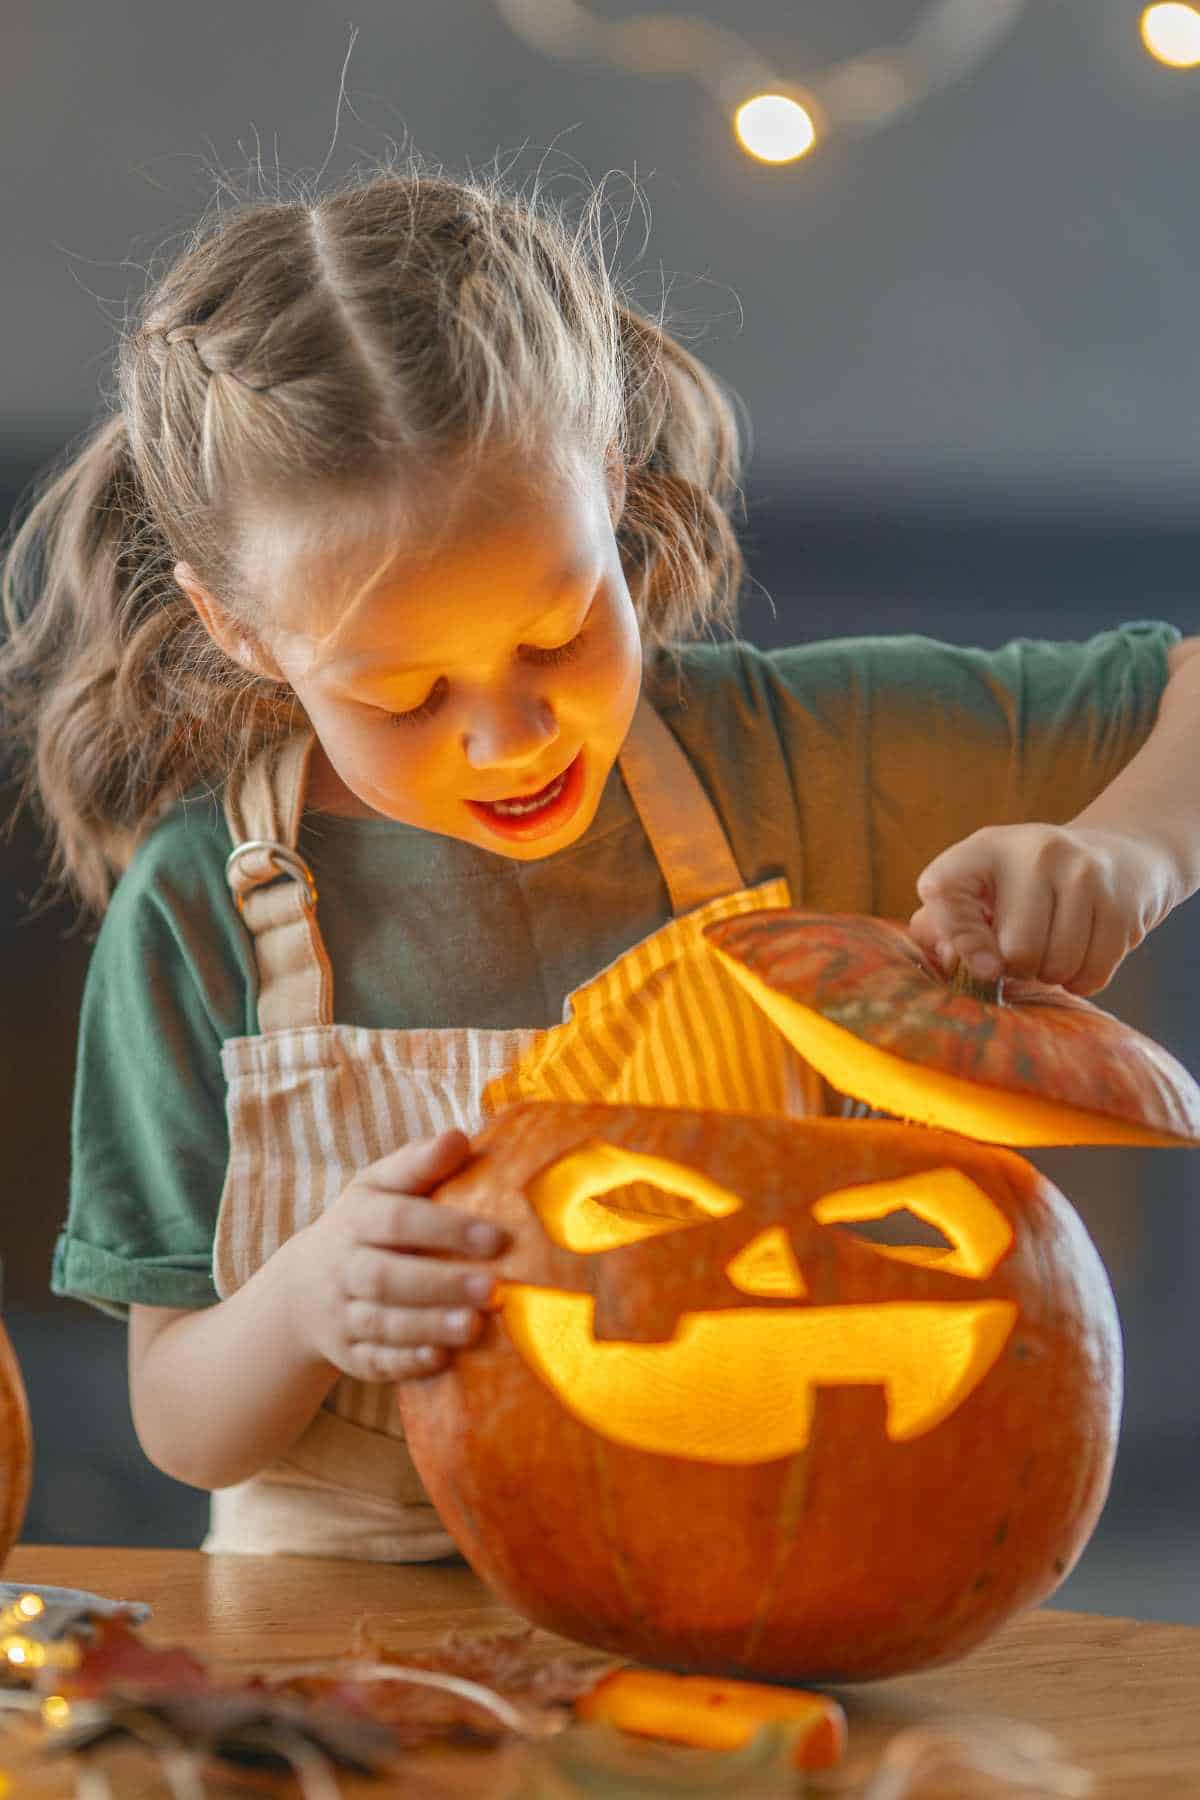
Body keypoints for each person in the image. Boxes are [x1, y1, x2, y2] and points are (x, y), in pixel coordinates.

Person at [2, 162, 1197, 1562]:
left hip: (745, 1599)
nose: (508, 737)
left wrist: (1133, 848)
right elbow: (182, 1421)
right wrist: (306, 1304)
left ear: (615, 498)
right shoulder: (208, 906)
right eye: (402, 697)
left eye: (557, 634)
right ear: (246, 633)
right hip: (338, 1652)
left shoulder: (799, 750)